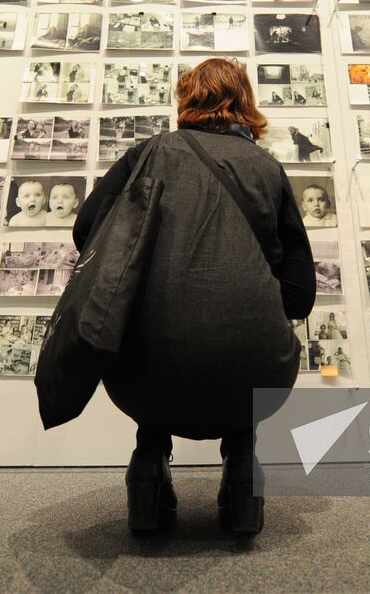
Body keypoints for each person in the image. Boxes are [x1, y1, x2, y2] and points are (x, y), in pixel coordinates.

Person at [67, 57, 314, 536]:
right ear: (247, 102)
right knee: (239, 334)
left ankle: (148, 461)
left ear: (185, 100)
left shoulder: (146, 154)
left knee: (157, 328)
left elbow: (86, 234)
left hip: (144, 380)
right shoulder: (268, 168)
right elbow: (300, 296)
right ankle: (243, 466)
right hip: (254, 376)